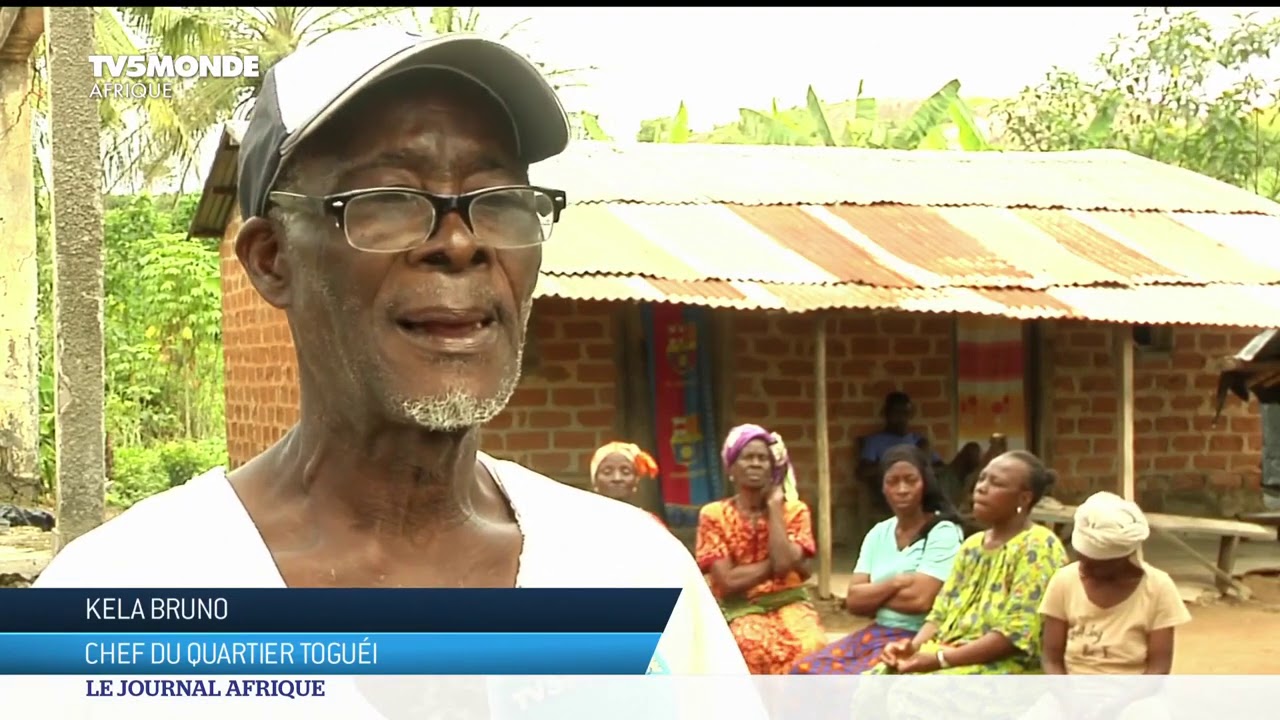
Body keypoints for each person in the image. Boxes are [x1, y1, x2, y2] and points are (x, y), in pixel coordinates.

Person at [32, 28, 747, 676]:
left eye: (497, 197)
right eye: (389, 198)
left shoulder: (633, 582)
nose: (461, 242)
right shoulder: (125, 600)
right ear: (272, 259)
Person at [873, 450, 1069, 677]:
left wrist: (940, 660)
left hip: (1005, 666)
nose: (981, 488)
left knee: (915, 692)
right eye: (982, 478)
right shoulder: (972, 546)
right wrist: (912, 648)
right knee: (878, 679)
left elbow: (1014, 635)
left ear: (1024, 498)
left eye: (996, 483)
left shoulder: (1039, 546)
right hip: (948, 654)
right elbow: (940, 614)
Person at [791, 444, 963, 675]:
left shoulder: (942, 531)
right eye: (893, 481)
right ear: (883, 487)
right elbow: (854, 600)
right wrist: (895, 583)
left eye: (911, 480)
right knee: (804, 671)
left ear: (925, 483)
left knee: (855, 680)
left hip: (918, 638)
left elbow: (920, 600)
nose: (902, 489)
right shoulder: (878, 533)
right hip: (879, 631)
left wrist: (872, 596)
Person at [1022, 492, 1189, 720]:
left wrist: (1115, 707)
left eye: (1096, 566)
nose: (1084, 569)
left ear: (1123, 558)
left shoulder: (1158, 587)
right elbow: (1051, 657)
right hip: (1071, 692)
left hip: (1134, 696)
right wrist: (1070, 700)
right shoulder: (1064, 581)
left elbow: (1158, 668)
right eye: (1081, 559)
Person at [695, 424, 827, 674]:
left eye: (762, 458)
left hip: (790, 604)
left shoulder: (794, 512)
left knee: (812, 647)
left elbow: (783, 565)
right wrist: (783, 563)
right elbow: (728, 583)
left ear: (773, 469)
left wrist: (775, 507)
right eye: (747, 457)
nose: (755, 463)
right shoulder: (713, 515)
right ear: (731, 468)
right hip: (740, 606)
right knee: (750, 646)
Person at [590, 441, 667, 526]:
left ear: (636, 479)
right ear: (595, 480)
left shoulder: (649, 523)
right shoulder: (582, 521)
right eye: (607, 472)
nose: (617, 478)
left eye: (626, 472)